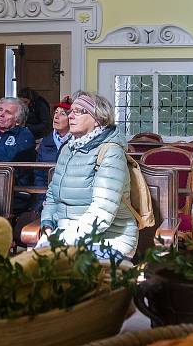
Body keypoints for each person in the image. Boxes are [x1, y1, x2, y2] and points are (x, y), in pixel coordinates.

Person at [37, 90, 138, 262]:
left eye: (80, 111)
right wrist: (47, 225)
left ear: (98, 120)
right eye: (71, 111)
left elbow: (102, 212)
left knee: (64, 276)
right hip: (65, 235)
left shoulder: (111, 152)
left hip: (108, 238)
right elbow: (52, 195)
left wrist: (63, 239)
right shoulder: (68, 149)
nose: (71, 116)